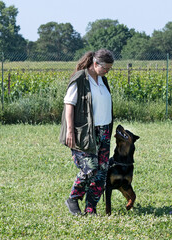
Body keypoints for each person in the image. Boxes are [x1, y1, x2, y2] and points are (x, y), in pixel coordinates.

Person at [59, 49, 114, 215]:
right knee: (90, 169)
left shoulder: (102, 80)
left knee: (102, 172)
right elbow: (69, 105)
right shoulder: (80, 79)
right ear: (95, 63)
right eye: (105, 68)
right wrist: (70, 132)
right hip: (83, 132)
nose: (107, 72)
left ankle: (91, 208)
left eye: (109, 69)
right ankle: (73, 198)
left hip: (104, 131)